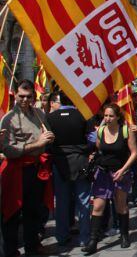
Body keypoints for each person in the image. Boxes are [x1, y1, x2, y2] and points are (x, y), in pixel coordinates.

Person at [0, 80, 56, 256]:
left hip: (36, 169)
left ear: (34, 96)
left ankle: (32, 246)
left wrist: (49, 138)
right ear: (15, 95)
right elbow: (8, 150)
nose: (24, 100)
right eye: (21, 96)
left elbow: (45, 136)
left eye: (28, 96)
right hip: (16, 170)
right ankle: (11, 249)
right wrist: (36, 143)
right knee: (13, 212)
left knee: (34, 211)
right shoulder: (8, 119)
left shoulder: (39, 113)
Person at [82, 104, 137, 254]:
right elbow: (100, 148)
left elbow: (134, 153)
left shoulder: (126, 131)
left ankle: (124, 235)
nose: (107, 119)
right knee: (98, 206)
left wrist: (123, 169)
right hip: (103, 173)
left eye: (111, 116)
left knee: (121, 205)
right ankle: (93, 241)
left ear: (118, 117)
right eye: (105, 116)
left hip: (121, 173)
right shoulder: (101, 131)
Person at [46, 90, 92, 249]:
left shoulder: (49, 118)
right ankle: (85, 238)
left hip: (59, 164)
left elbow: (47, 142)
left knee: (62, 202)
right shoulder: (83, 116)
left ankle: (62, 236)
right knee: (84, 202)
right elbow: (92, 139)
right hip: (81, 162)